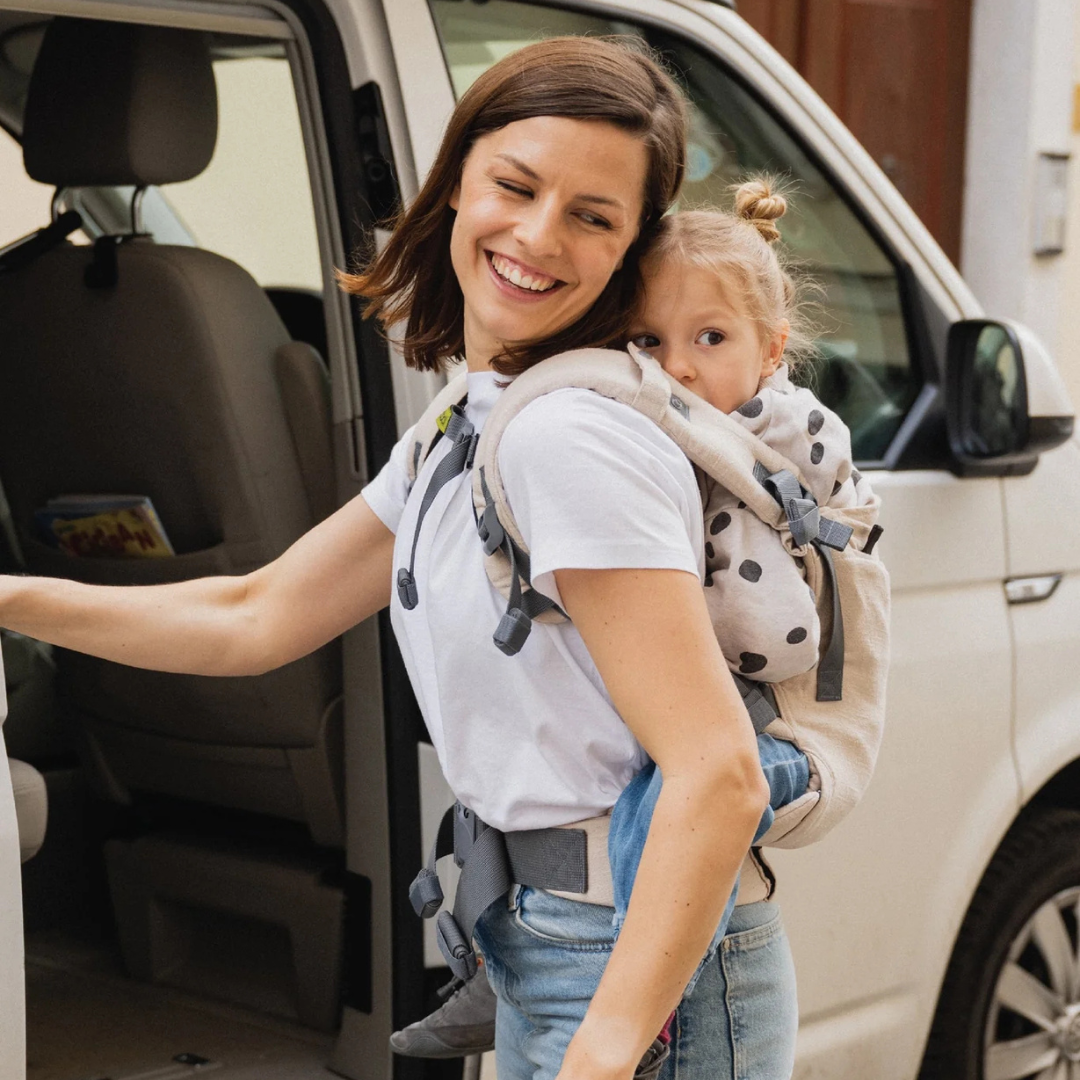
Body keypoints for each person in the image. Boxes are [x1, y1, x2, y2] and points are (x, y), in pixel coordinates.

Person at [0, 38, 798, 1080]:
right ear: (457, 178)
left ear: (629, 253)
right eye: (515, 185)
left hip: (634, 979)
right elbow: (253, 614)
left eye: (593, 217)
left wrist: (606, 1045)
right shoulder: (470, 421)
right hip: (552, 947)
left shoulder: (571, 439)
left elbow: (720, 772)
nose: (537, 235)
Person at [391, 180, 875, 1063]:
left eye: (711, 339)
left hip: (778, 727)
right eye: (648, 340)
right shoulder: (616, 421)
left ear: (771, 353)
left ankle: (645, 999)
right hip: (553, 911)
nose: (678, 366)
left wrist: (613, 1032)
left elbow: (777, 632)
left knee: (668, 806)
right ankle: (518, 973)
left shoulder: (776, 435)